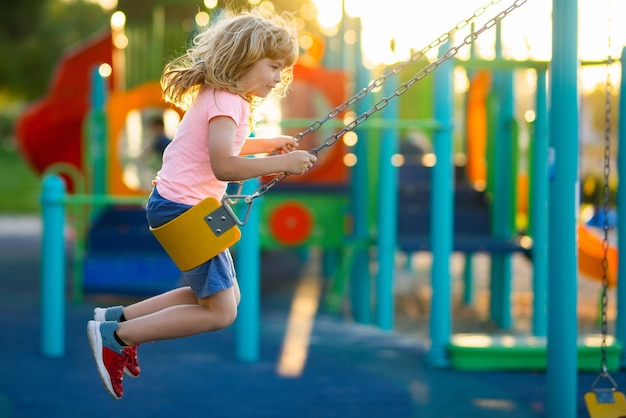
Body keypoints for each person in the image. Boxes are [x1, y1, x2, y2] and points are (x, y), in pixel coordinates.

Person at [87, 9, 317, 400]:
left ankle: (118, 318)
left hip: (180, 204)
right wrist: (284, 164)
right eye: (274, 66)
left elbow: (223, 148)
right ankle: (117, 335)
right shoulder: (231, 102)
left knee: (214, 297)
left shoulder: (222, 96)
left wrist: (268, 144)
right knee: (221, 311)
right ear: (245, 56)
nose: (280, 77)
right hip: (185, 209)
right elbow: (224, 165)